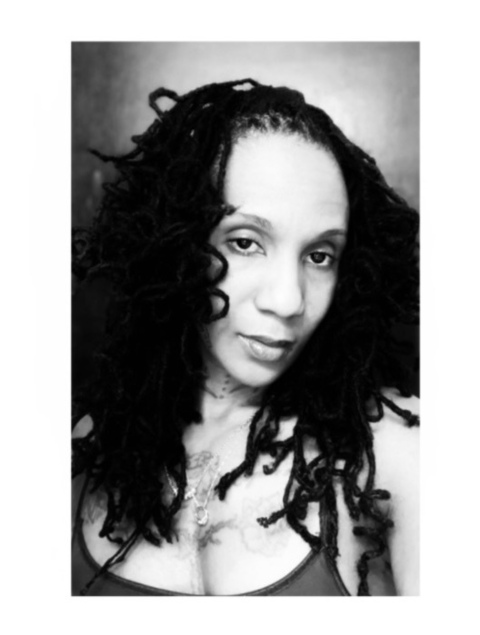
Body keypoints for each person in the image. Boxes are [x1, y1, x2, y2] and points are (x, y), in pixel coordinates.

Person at [71, 79, 419, 596]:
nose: (288, 300)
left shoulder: (397, 449)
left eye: (319, 255)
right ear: (178, 245)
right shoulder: (87, 445)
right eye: (245, 242)